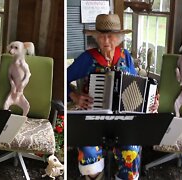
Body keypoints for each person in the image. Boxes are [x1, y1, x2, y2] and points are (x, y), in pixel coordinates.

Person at [67, 14, 159, 180]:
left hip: (123, 120)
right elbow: (61, 78)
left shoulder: (126, 57)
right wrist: (74, 95)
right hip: (93, 118)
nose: (106, 40)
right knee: (89, 152)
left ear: (118, 38)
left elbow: (137, 86)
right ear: (96, 37)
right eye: (101, 36)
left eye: (110, 36)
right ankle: (95, 176)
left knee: (130, 150)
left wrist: (150, 101)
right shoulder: (87, 58)